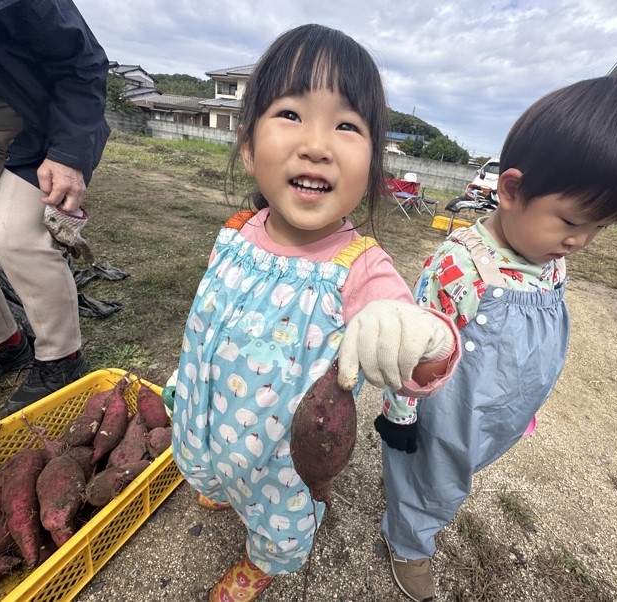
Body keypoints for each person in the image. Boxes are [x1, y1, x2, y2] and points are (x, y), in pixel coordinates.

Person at [170, 24, 460, 602]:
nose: (318, 144)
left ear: (373, 166)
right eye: (291, 114)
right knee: (204, 460)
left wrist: (418, 335)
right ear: (249, 150)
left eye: (347, 126)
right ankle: (221, 481)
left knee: (277, 513)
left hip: (284, 451)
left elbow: (429, 353)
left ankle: (264, 560)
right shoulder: (236, 231)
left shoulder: (362, 268)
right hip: (208, 403)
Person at [377, 73, 617, 602]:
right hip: (451, 413)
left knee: (452, 478)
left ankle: (417, 507)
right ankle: (407, 542)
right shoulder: (462, 267)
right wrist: (399, 416)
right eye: (571, 221)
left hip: (499, 409)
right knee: (433, 479)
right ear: (511, 190)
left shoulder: (546, 252)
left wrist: (522, 397)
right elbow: (412, 351)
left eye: (601, 227)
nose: (580, 241)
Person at [0, 0, 110, 414]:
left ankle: (62, 359)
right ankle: (0, 343)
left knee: (17, 238)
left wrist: (69, 153)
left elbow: (83, 63)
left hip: (43, 121)